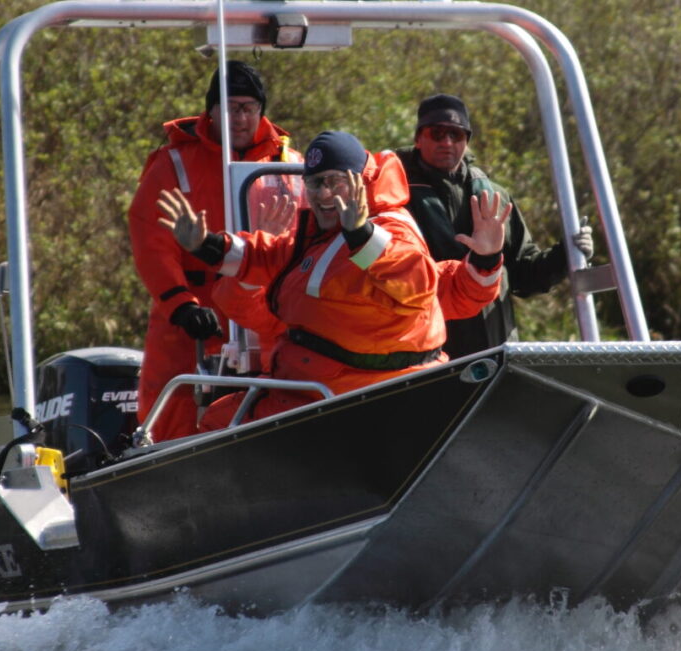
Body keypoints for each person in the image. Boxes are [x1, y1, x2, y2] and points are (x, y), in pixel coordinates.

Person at [158, 130, 507, 429]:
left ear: (359, 182)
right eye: (315, 183)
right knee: (219, 418)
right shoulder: (317, 237)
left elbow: (416, 283)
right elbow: (262, 255)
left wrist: (362, 234)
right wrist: (207, 245)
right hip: (311, 387)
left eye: (335, 182)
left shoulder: (388, 230)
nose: (324, 193)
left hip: (350, 397)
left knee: (221, 422)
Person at [127, 61, 296, 441]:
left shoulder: (287, 164)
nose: (239, 117)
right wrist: (180, 304)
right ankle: (164, 471)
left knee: (281, 394)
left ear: (261, 111)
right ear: (211, 111)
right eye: (229, 107)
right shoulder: (173, 163)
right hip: (194, 309)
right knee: (172, 404)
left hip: (262, 305)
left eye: (247, 108)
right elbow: (151, 240)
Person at [395, 93, 594, 357]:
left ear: (467, 141)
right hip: (426, 356)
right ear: (418, 139)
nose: (447, 142)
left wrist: (566, 254)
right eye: (436, 133)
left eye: (456, 134)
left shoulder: (495, 198)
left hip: (495, 353)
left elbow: (524, 276)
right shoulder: (395, 198)